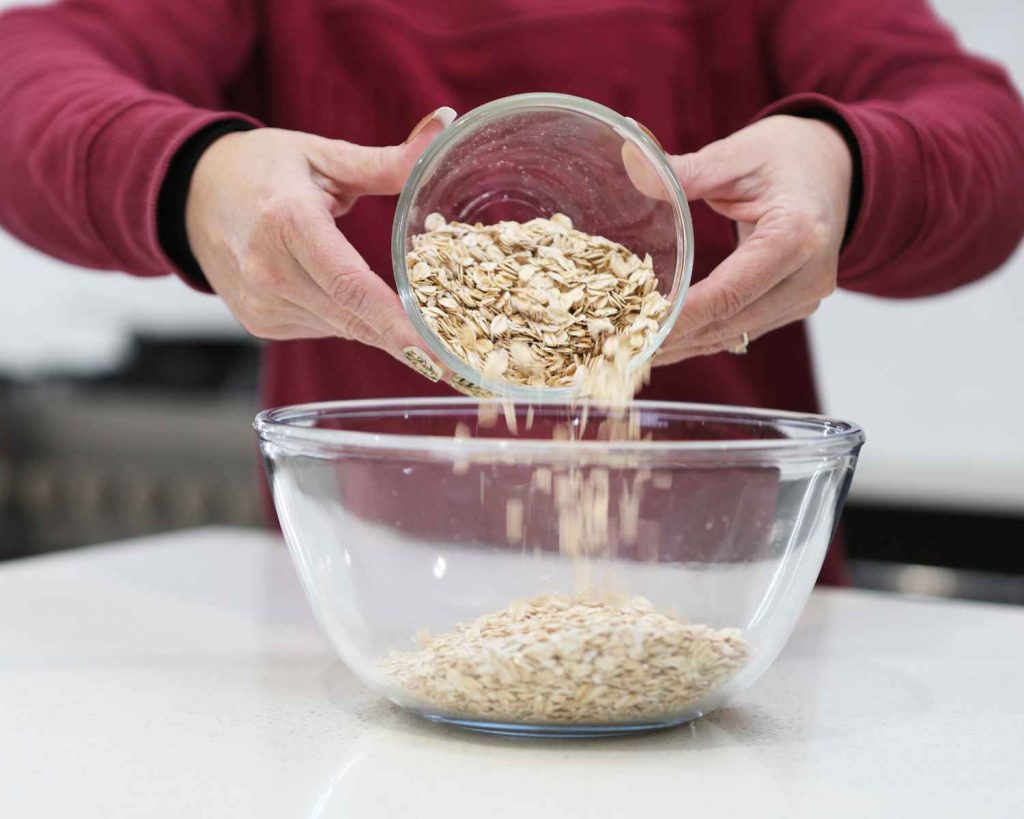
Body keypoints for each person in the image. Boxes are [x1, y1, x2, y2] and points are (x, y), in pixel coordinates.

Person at [1, 0, 1022, 583]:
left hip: (725, 591)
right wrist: (191, 176)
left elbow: (988, 139)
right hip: (376, 593)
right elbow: (27, 74)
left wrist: (846, 162)